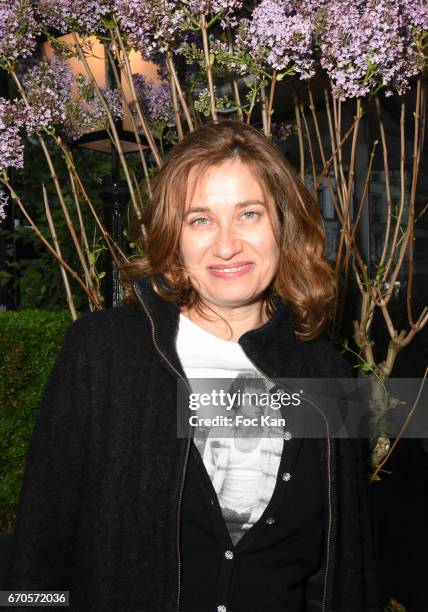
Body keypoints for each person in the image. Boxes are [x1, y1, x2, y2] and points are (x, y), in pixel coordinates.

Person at [6, 119, 379, 611]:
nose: (226, 245)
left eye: (248, 214)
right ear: (173, 237)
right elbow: (40, 546)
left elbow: (346, 568)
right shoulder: (102, 354)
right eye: (200, 219)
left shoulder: (327, 373)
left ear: (283, 226)